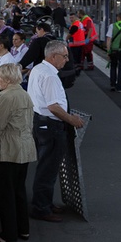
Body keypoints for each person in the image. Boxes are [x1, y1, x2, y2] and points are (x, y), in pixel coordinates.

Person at [28, 40, 85, 222]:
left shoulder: (38, 69)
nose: (67, 60)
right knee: (48, 168)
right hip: (51, 126)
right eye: (65, 56)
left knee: (46, 166)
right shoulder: (51, 76)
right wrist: (72, 120)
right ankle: (41, 208)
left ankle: (45, 203)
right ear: (53, 57)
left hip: (40, 122)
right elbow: (53, 107)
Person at [0, 63, 37, 242]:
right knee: (19, 190)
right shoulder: (25, 94)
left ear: (6, 79)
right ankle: (23, 230)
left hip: (9, 149)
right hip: (26, 147)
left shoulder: (6, 97)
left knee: (6, 193)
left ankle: (8, 234)